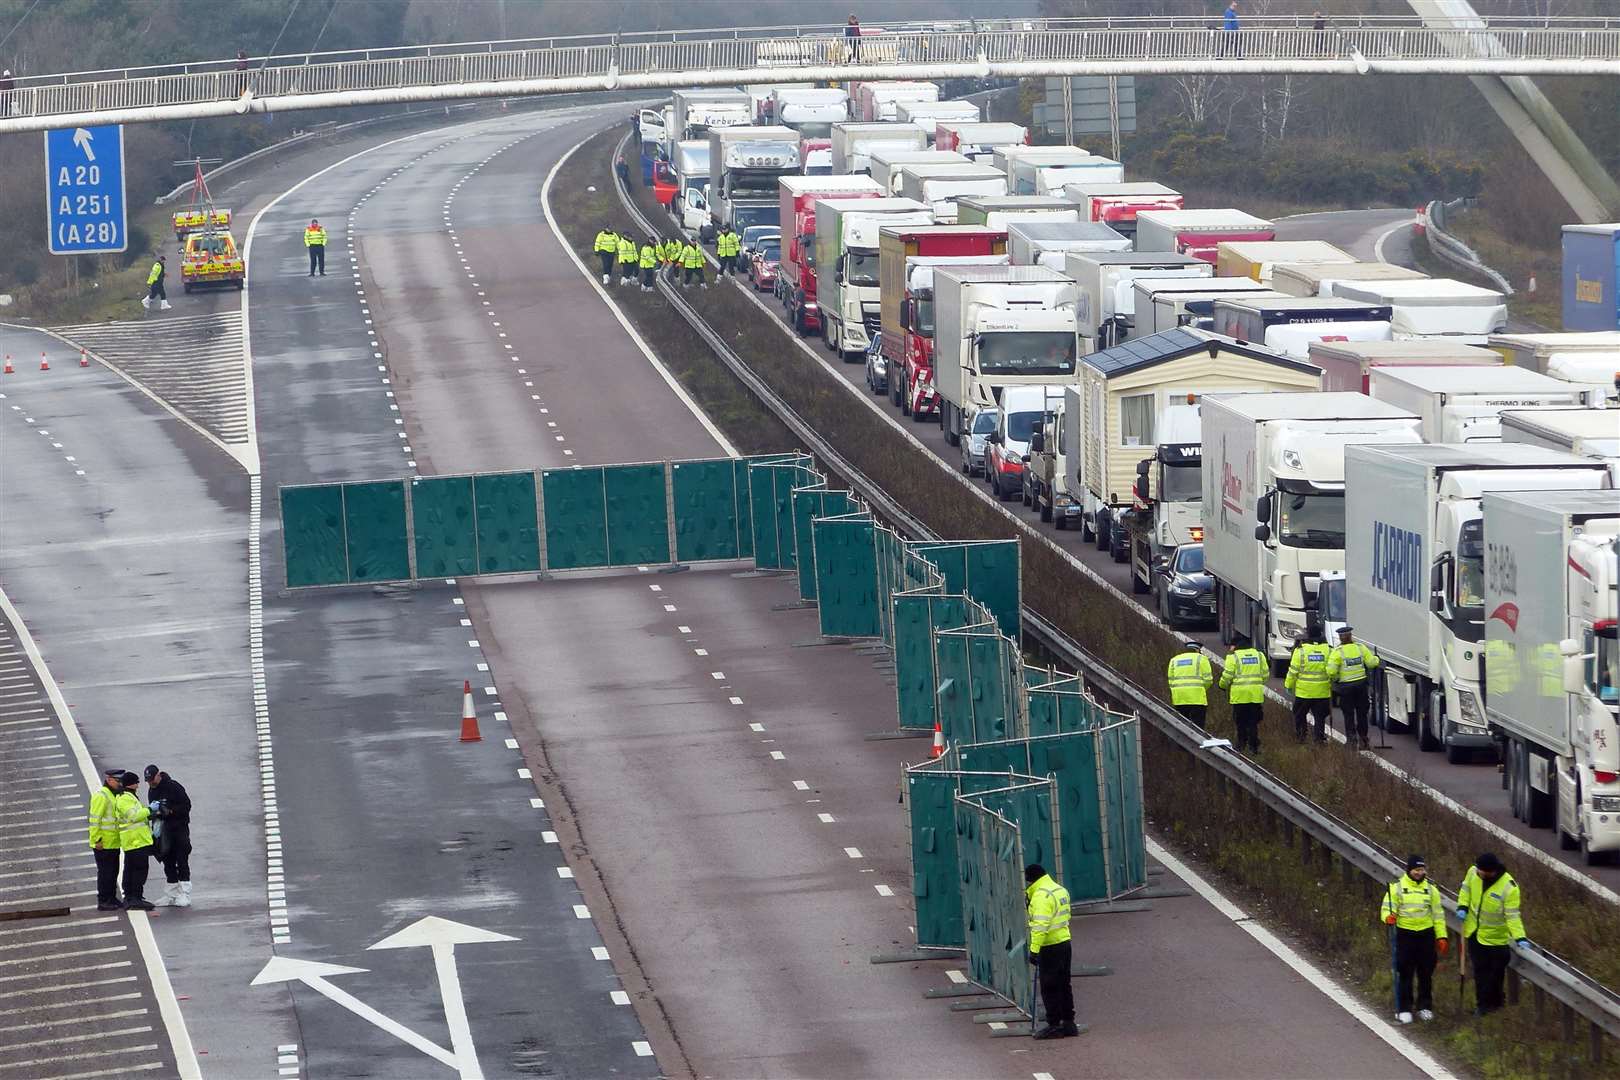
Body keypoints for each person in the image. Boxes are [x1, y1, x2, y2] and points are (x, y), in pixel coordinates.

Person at [1456, 852, 1527, 1016]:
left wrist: (1520, 937)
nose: (1478, 873)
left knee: (1495, 975)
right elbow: (1465, 890)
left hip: (1497, 939)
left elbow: (1512, 916)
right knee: (1480, 972)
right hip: (1475, 933)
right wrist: (1462, 907)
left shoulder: (1509, 888)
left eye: (1482, 872)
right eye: (1478, 870)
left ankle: (1496, 1004)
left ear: (1491, 871)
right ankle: (1482, 1006)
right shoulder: (1473, 873)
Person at [1382, 854, 1447, 1024]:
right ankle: (1404, 1008)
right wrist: (1388, 916)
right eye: (1416, 869)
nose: (1419, 872)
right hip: (1405, 935)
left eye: (1421, 869)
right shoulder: (1397, 887)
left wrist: (1441, 936)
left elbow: (1438, 915)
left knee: (1426, 972)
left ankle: (1424, 1006)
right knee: (1405, 972)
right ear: (1409, 870)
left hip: (1426, 935)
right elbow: (1387, 907)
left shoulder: (1431, 890)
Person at [1025, 863, 1079, 1039]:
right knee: (1064, 984)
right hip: (1064, 941)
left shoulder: (1041, 896)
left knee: (1049, 986)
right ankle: (1069, 1023)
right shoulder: (1059, 889)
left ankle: (1054, 1024)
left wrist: (1034, 950)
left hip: (1049, 946)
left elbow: (1040, 926)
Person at [144, 765, 192, 908]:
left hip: (178, 829)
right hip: (163, 831)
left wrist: (171, 812)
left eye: (152, 779)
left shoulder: (173, 787)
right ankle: (171, 893)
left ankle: (185, 892)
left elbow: (187, 806)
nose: (151, 783)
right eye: (148, 781)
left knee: (181, 859)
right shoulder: (152, 790)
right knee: (167, 860)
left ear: (159, 775)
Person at [1329, 625, 1380, 750]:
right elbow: (1371, 663)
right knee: (1362, 713)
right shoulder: (1360, 648)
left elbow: (1330, 671)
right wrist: (1377, 658)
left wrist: (1336, 678)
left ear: (1340, 638)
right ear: (1351, 636)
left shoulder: (1337, 652)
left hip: (1346, 687)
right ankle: (1364, 740)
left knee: (1348, 714)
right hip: (1361, 686)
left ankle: (1351, 741)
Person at [1285, 624, 1333, 742]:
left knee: (1300, 715)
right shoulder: (1328, 650)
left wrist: (1288, 685)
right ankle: (1319, 739)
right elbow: (1333, 670)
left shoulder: (1300, 651)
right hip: (1322, 693)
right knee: (1320, 718)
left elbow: (1293, 671)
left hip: (1304, 693)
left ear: (1308, 635)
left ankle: (1301, 737)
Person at [116, 771, 155, 911]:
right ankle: (135, 898)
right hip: (135, 841)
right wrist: (150, 810)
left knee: (131, 869)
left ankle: (131, 897)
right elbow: (134, 817)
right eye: (136, 782)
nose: (138, 785)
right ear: (131, 784)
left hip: (134, 841)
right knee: (139, 870)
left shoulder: (128, 797)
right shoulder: (125, 799)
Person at [1220, 643, 1268, 753]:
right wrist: (1258, 684)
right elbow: (1265, 674)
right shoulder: (1259, 655)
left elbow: (1227, 675)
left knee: (1240, 722)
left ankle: (1241, 745)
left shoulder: (1233, 657)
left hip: (1239, 696)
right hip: (1255, 695)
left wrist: (1222, 685)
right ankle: (1253, 747)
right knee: (1253, 722)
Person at [89, 768, 124, 911]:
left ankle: (111, 898)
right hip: (103, 844)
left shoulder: (112, 794)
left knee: (113, 872)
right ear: (109, 780)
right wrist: (97, 839)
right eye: (117, 781)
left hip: (113, 842)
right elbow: (94, 820)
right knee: (105, 873)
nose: (120, 784)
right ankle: (103, 900)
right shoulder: (101, 796)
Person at [1166, 639, 1213, 727]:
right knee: (1198, 726)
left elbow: (1171, 681)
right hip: (1197, 699)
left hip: (1179, 699)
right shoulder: (1201, 658)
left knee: (1182, 726)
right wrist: (1201, 689)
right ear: (1198, 650)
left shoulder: (1174, 659)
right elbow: (1208, 680)